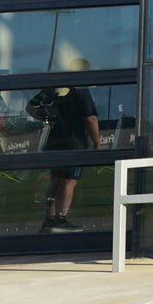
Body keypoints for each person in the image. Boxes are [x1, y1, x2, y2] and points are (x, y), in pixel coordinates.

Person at [34, 58, 102, 233]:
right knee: (69, 181)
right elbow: (91, 119)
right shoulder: (81, 90)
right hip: (75, 143)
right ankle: (61, 218)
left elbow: (31, 107)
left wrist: (47, 117)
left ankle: (49, 218)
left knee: (56, 179)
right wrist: (98, 143)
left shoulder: (55, 88)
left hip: (55, 141)